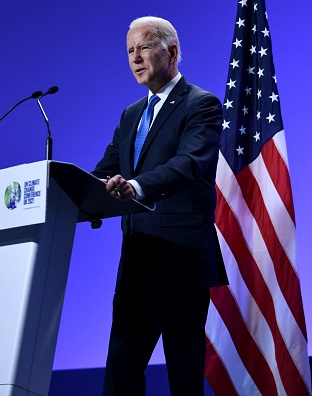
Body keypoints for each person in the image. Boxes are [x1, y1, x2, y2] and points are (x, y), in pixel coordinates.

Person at [92, 16, 227, 396]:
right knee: (121, 370)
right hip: (137, 261)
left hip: (181, 259)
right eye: (130, 51)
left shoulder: (201, 105)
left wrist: (135, 187)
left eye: (144, 47)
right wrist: (76, 190)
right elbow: (105, 171)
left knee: (183, 376)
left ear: (171, 52)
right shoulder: (131, 114)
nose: (136, 58)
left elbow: (190, 164)